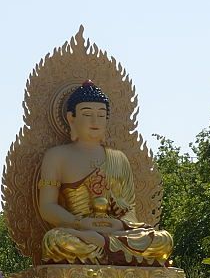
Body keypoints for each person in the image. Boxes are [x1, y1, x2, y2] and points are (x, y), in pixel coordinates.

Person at [38, 81, 173, 265]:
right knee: (55, 240)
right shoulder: (57, 156)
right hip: (79, 231)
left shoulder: (119, 158)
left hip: (116, 231)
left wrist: (118, 224)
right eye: (87, 114)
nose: (95, 121)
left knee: (162, 239)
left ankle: (102, 244)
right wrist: (79, 223)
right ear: (71, 118)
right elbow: (47, 207)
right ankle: (106, 247)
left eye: (101, 115)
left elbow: (130, 211)